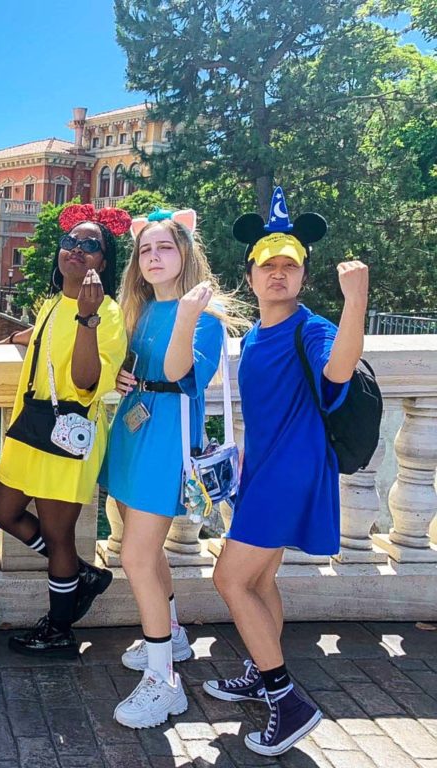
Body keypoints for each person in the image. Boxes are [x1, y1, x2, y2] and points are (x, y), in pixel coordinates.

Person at [203, 188, 367, 756]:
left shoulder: (310, 326)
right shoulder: (252, 336)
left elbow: (339, 369)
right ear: (250, 276)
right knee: (259, 580)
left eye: (289, 267)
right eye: (268, 265)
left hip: (292, 471)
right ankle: (260, 668)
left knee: (229, 579)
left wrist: (356, 299)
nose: (278, 274)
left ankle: (286, 699)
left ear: (302, 277)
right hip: (263, 469)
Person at [101, 208, 244, 729]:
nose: (154, 257)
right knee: (143, 550)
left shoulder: (204, 317)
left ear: (185, 254)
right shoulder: (141, 310)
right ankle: (173, 633)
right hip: (135, 432)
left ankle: (164, 682)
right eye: (145, 250)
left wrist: (186, 318)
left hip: (167, 442)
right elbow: (145, 367)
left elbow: (183, 373)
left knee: (136, 557)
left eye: (164, 247)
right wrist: (121, 374)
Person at [0, 203, 127, 657]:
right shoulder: (53, 303)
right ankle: (80, 576)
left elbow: (87, 380)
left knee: (59, 535)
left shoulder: (106, 314)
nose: (77, 250)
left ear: (102, 262)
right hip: (31, 423)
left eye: (91, 246)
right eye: (71, 242)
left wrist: (87, 320)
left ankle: (60, 627)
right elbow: (47, 337)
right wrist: (14, 339)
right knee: (1, 512)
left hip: (69, 433)